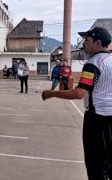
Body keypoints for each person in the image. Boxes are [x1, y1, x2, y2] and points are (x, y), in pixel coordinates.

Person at [42, 27, 112, 180]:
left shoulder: (94, 64)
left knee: (96, 164)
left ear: (98, 42)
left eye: (87, 40)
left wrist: (52, 93)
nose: (83, 43)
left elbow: (80, 92)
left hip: (97, 119)